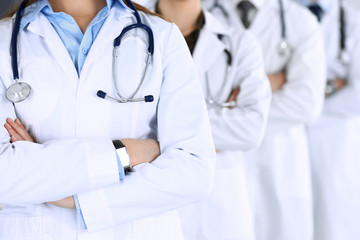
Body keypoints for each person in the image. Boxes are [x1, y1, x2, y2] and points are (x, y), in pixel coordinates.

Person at [0, 0, 216, 239]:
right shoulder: (4, 39)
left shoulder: (163, 36)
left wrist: (80, 202)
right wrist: (125, 154)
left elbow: (194, 171)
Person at [143, 0, 272, 239]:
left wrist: (157, 127)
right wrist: (219, 118)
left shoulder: (239, 43)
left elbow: (250, 129)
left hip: (220, 203)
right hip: (153, 195)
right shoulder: (131, 35)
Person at [201, 0, 326, 240]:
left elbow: (306, 103)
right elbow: (193, 94)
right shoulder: (203, 14)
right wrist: (272, 83)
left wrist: (236, 109)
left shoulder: (301, 21)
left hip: (279, 164)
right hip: (222, 174)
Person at [296, 0, 360, 239]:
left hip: (336, 150)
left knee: (333, 226)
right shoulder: (279, 17)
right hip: (284, 145)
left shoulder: (354, 22)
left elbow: (358, 94)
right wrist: (332, 86)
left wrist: (302, 100)